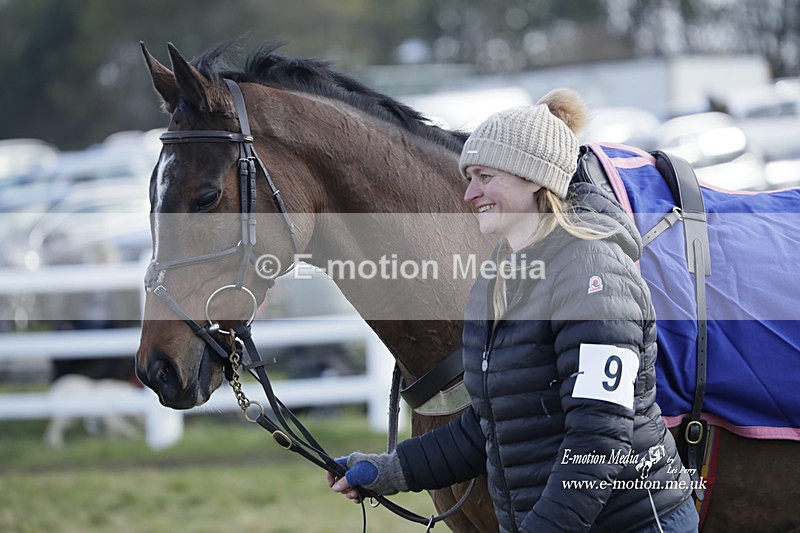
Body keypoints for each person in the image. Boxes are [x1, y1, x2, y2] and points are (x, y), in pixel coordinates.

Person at [328, 89, 699, 532]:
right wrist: (388, 471)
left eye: (485, 176)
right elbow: (491, 426)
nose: (469, 195)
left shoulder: (591, 273)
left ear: (535, 178)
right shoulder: (499, 278)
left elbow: (599, 439)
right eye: (469, 178)